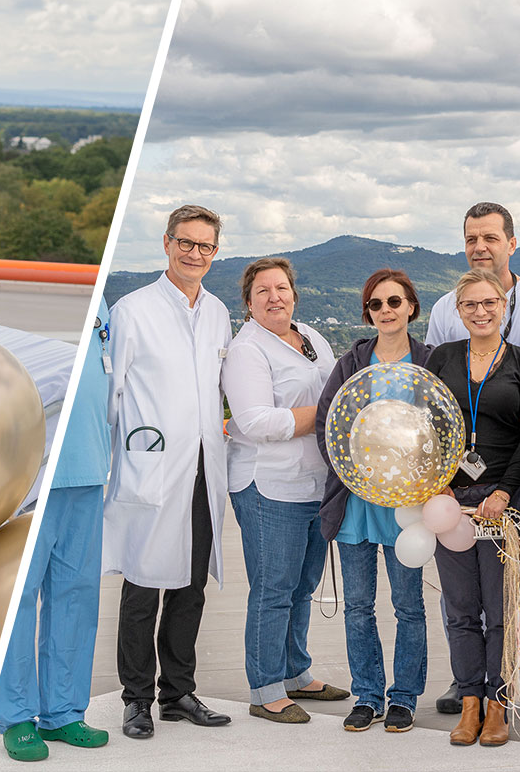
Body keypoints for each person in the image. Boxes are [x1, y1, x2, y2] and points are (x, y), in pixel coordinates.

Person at [104, 205, 233, 738]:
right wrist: (122, 463)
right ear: (166, 243)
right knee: (143, 584)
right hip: (152, 467)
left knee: (191, 583)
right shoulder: (132, 310)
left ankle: (177, 691)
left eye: (205, 246)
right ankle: (136, 698)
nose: (195, 254)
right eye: (186, 243)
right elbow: (113, 393)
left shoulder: (220, 312)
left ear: (215, 252)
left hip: (205, 467)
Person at [221, 257, 347, 724]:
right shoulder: (247, 350)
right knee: (273, 588)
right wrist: (332, 411)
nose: (274, 297)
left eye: (281, 288)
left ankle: (296, 671)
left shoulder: (310, 335)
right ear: (249, 302)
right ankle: (266, 688)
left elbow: (336, 386)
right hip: (268, 485)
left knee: (303, 585)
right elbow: (255, 422)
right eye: (263, 291)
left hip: (315, 481)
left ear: (294, 292)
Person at [424, 268, 520, 749]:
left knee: (501, 610)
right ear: (458, 311)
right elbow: (425, 429)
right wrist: (440, 485)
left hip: (501, 500)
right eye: (470, 304)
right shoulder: (442, 358)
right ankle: (469, 701)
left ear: (504, 307)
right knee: (459, 609)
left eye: (490, 303)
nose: (481, 311)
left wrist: (505, 492)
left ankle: (498, 702)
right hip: (450, 501)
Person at [0, 310, 113, 761]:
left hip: (88, 469)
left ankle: (64, 713)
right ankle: (18, 715)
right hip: (36, 474)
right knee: (20, 598)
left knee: (76, 595)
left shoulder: (109, 310)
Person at [315, 269, 431, 734]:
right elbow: (329, 420)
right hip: (356, 501)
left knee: (409, 606)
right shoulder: (351, 362)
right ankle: (367, 695)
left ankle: (403, 697)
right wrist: (351, 470)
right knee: (359, 606)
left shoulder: (429, 361)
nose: (386, 310)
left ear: (411, 308)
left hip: (406, 505)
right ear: (368, 312)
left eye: (394, 302)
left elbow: (445, 426)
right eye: (377, 304)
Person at [425, 202, 520, 373]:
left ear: (512, 245)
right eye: (471, 240)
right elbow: (433, 380)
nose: (479, 248)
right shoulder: (444, 308)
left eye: (490, 239)